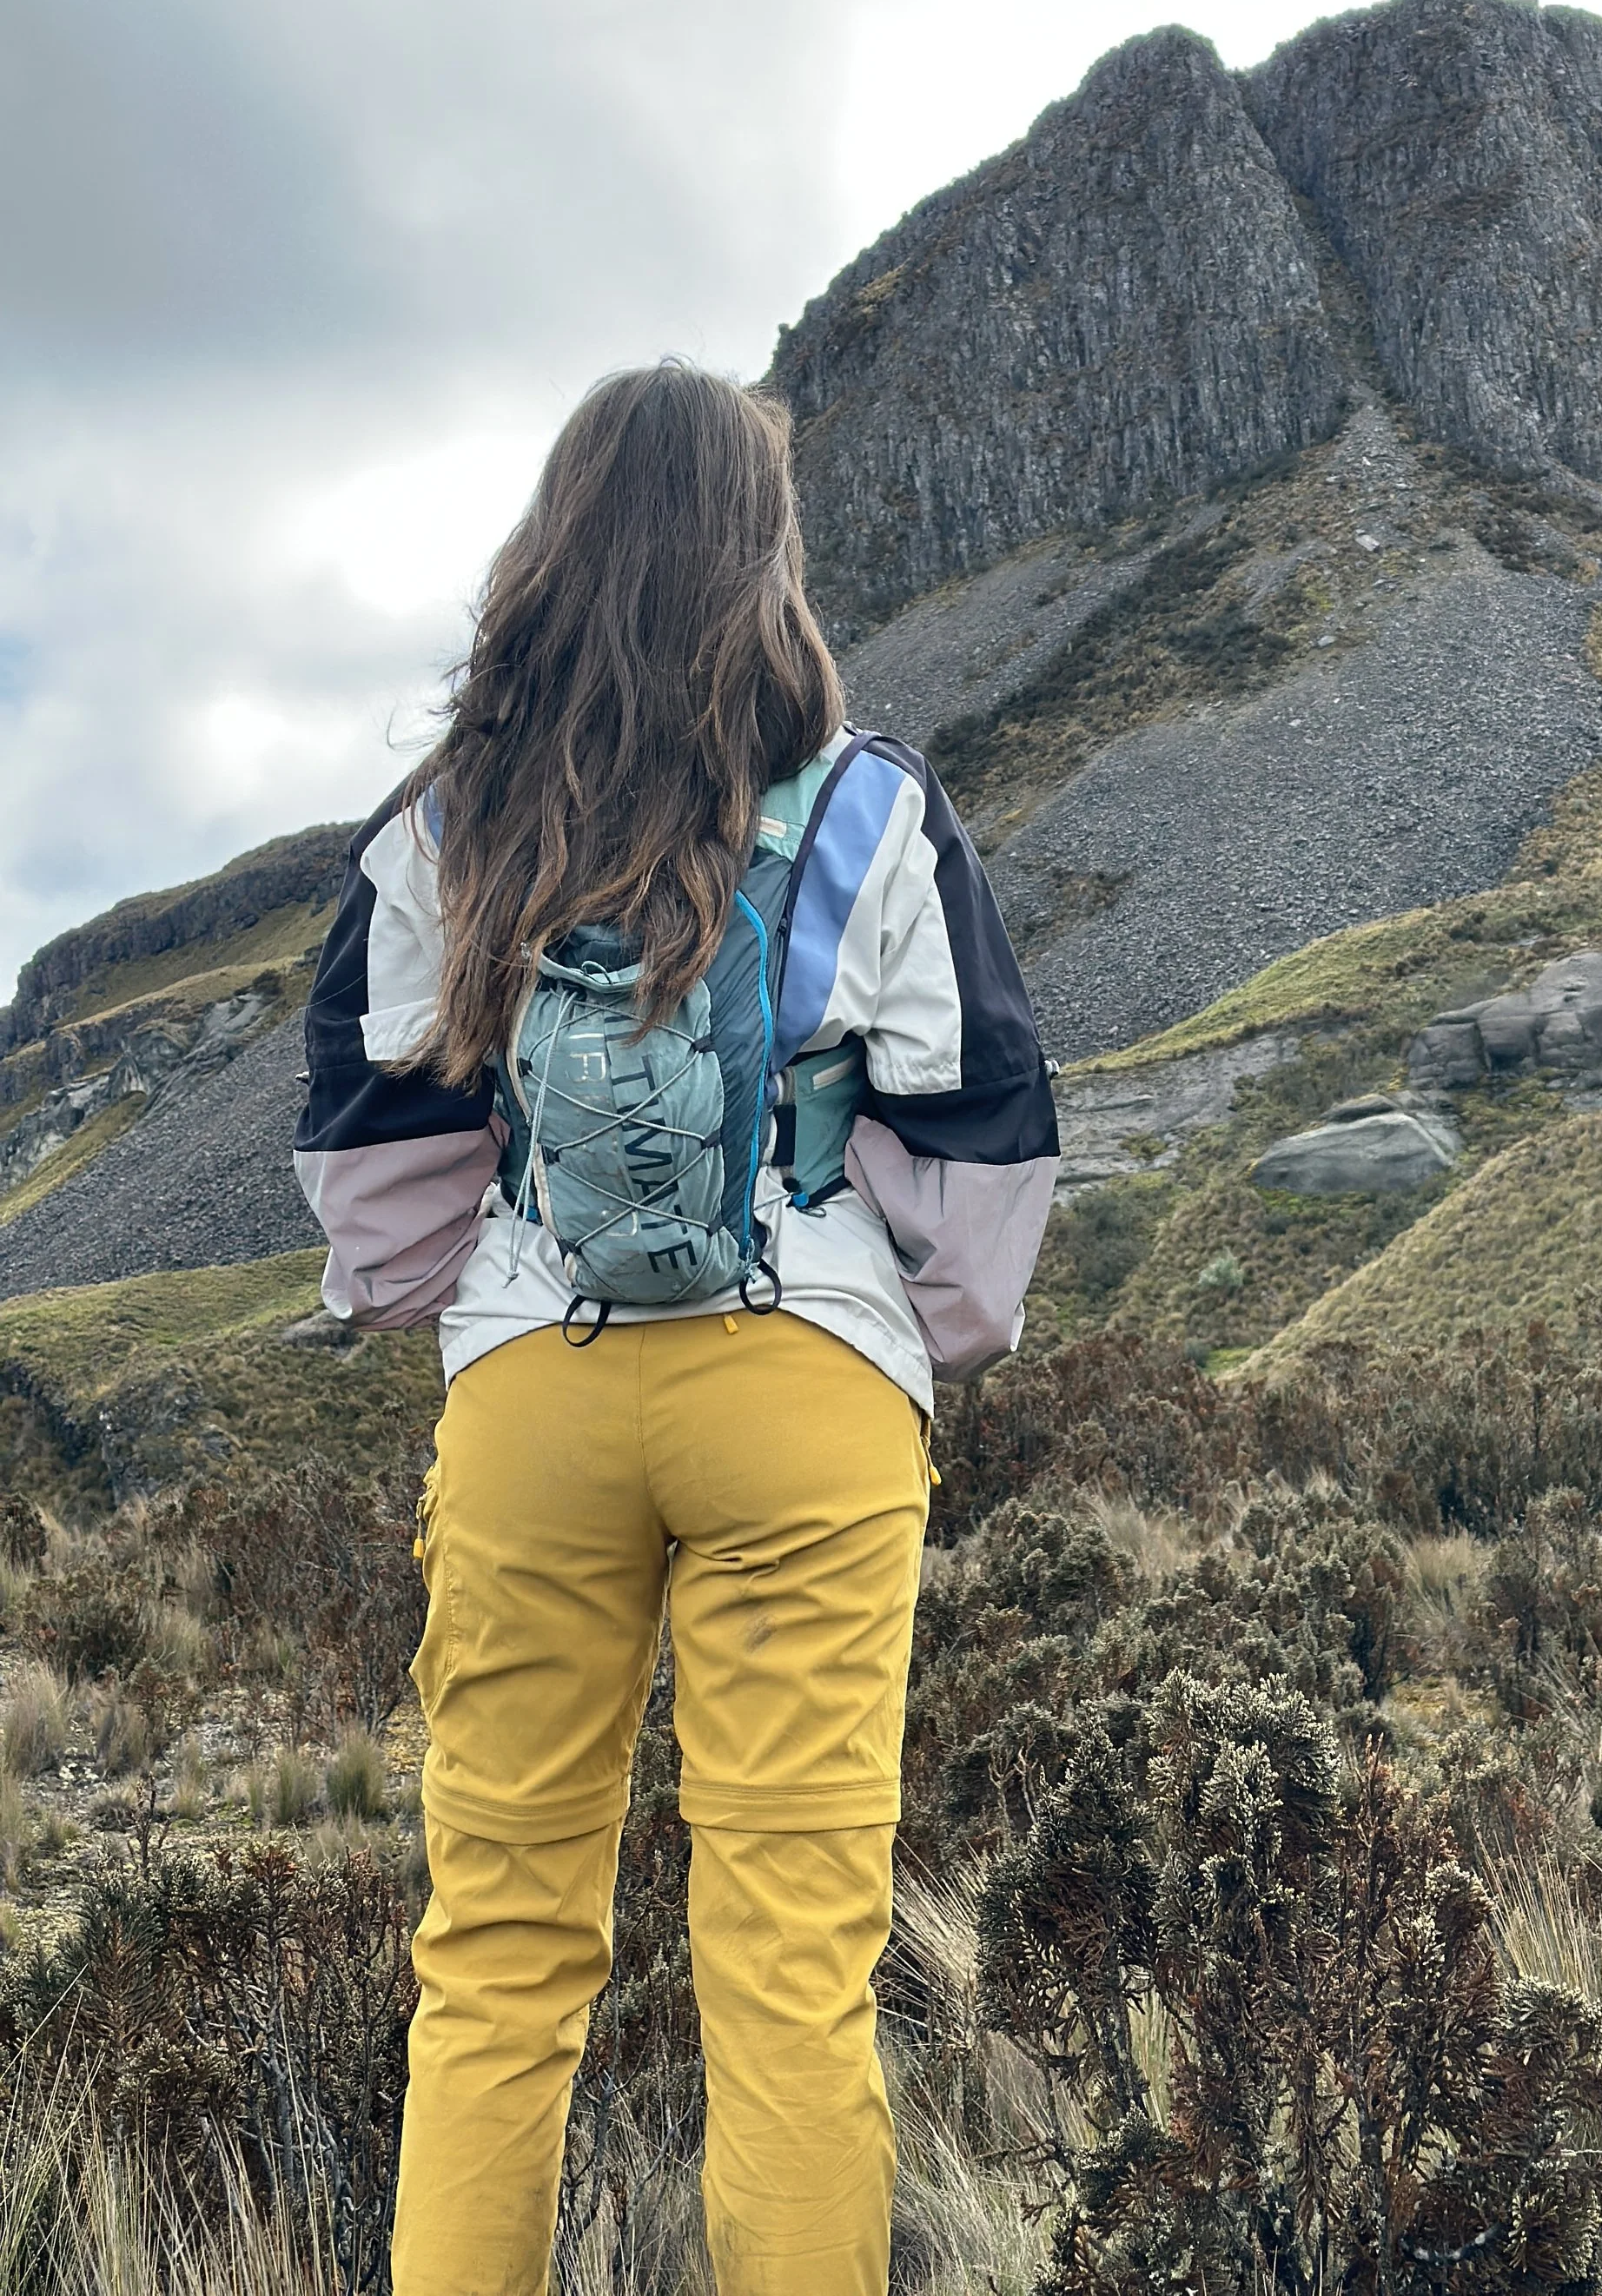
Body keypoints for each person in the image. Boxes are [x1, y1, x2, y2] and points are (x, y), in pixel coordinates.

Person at [293, 361, 1060, 2294]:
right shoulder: (878, 807)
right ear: (762, 557)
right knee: (791, 1980)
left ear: (548, 554)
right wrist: (866, 1272)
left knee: (494, 1969)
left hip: (532, 1406)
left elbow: (380, 1212)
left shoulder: (443, 825)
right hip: (803, 1394)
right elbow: (979, 1178)